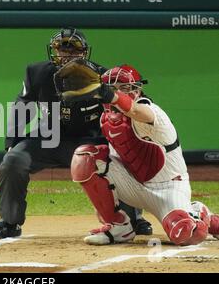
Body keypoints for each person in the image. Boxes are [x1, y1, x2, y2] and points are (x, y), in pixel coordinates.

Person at [0, 27, 152, 239]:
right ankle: (9, 222)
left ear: (84, 52)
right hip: (50, 137)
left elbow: (133, 103)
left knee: (123, 158)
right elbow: (23, 105)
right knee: (13, 160)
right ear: (53, 51)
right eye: (61, 49)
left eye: (73, 50)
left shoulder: (102, 76)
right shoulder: (37, 72)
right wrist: (12, 141)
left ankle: (133, 217)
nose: (67, 55)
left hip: (92, 139)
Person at [70, 63, 219, 245]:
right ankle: (119, 228)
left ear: (137, 90)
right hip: (135, 185)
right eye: (112, 88)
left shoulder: (151, 112)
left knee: (187, 233)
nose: (118, 92)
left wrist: (112, 95)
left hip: (169, 188)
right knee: (84, 157)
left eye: (124, 88)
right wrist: (104, 203)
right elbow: (117, 158)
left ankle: (200, 213)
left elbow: (134, 110)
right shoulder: (106, 119)